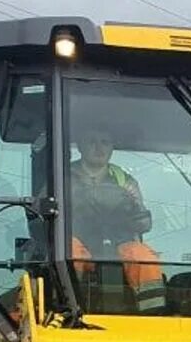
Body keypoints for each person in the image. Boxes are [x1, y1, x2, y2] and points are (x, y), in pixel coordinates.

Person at [67, 127, 165, 311]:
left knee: (143, 256)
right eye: (92, 142)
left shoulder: (124, 180)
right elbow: (41, 218)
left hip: (119, 244)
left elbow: (143, 224)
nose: (99, 148)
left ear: (112, 148)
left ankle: (154, 313)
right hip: (79, 241)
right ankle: (69, 307)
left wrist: (135, 205)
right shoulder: (61, 177)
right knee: (69, 251)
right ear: (80, 146)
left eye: (105, 142)